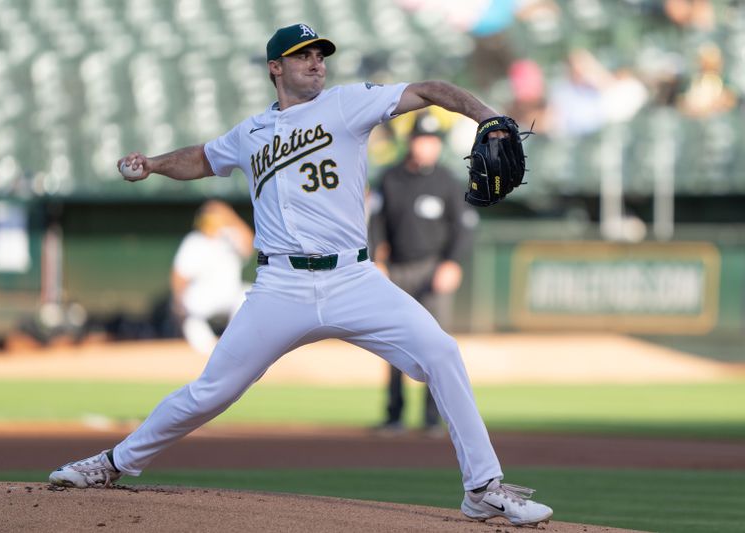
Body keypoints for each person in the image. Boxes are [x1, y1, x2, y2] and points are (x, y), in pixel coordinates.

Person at [48, 23, 553, 526]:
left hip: (353, 279)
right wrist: (154, 163)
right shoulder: (250, 134)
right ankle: (112, 463)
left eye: (320, 54)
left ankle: (483, 488)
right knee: (211, 391)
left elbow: (430, 90)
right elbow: (202, 158)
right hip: (280, 288)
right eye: (302, 55)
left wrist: (488, 115)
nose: (316, 62)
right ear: (275, 67)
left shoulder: (347, 103)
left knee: (441, 352)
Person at [370, 112, 475, 437]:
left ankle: (432, 419)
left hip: (432, 268)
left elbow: (465, 227)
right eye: (420, 139)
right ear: (410, 141)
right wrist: (376, 260)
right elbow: (373, 222)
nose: (425, 146)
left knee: (434, 346)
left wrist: (452, 263)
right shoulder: (389, 178)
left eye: (430, 140)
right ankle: (394, 416)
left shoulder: (446, 180)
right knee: (394, 345)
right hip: (398, 269)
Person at [171, 200, 254, 355]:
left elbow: (249, 245)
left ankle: (233, 344)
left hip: (229, 293)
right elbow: (180, 274)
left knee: (249, 294)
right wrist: (178, 299)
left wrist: (229, 214)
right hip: (204, 296)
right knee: (188, 308)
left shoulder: (230, 236)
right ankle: (208, 352)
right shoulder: (194, 241)